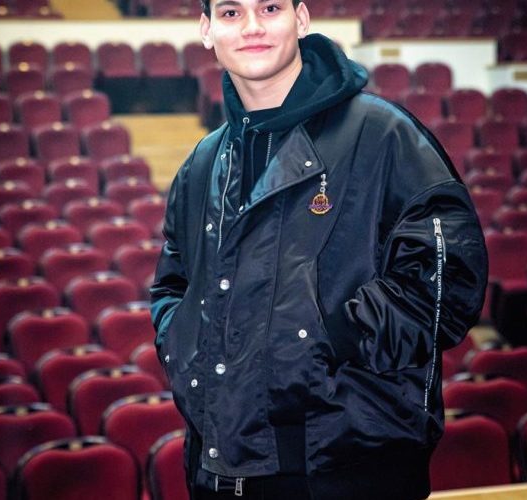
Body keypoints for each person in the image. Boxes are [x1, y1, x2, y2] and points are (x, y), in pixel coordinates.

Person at [150, 1, 488, 498]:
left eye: (269, 8)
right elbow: (172, 285)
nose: (251, 27)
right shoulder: (202, 161)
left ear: (301, 19)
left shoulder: (383, 134)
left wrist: (322, 341)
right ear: (207, 30)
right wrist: (183, 343)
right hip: (219, 465)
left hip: (350, 466)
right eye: (231, 12)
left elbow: (446, 280)